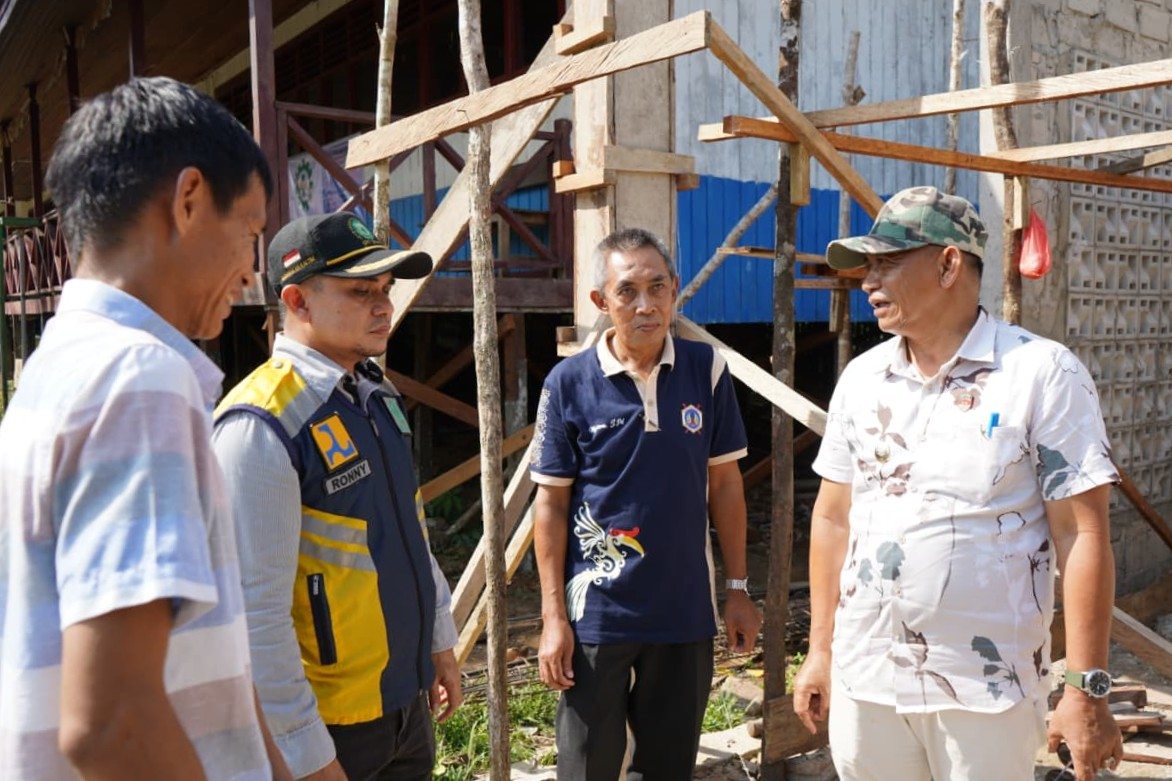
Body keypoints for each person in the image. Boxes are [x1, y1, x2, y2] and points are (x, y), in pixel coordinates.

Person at [0, 77, 291, 779]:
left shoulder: (52, 372)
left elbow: (190, 655)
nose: (252, 274)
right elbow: (111, 725)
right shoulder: (139, 380)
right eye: (251, 233)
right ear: (189, 199)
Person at [792, 186, 1124, 780]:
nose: (869, 281)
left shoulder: (1040, 373)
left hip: (985, 690)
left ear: (948, 263)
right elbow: (833, 518)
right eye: (867, 266)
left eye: (887, 263)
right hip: (867, 678)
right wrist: (820, 651)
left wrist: (1085, 688)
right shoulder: (863, 379)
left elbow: (1081, 534)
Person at [211, 212, 463, 781]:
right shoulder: (261, 424)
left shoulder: (375, 393)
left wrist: (438, 638)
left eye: (385, 289)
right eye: (359, 291)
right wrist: (304, 751)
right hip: (330, 729)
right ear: (297, 301)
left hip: (403, 704)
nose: (383, 305)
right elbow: (255, 615)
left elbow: (409, 527)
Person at [532, 227, 762, 779]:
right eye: (628, 291)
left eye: (658, 287)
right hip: (598, 618)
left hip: (683, 614)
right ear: (601, 302)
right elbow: (551, 507)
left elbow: (726, 485)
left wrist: (736, 589)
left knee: (667, 768)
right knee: (587, 766)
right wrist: (552, 617)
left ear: (676, 290)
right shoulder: (568, 384)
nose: (646, 305)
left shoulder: (705, 371)